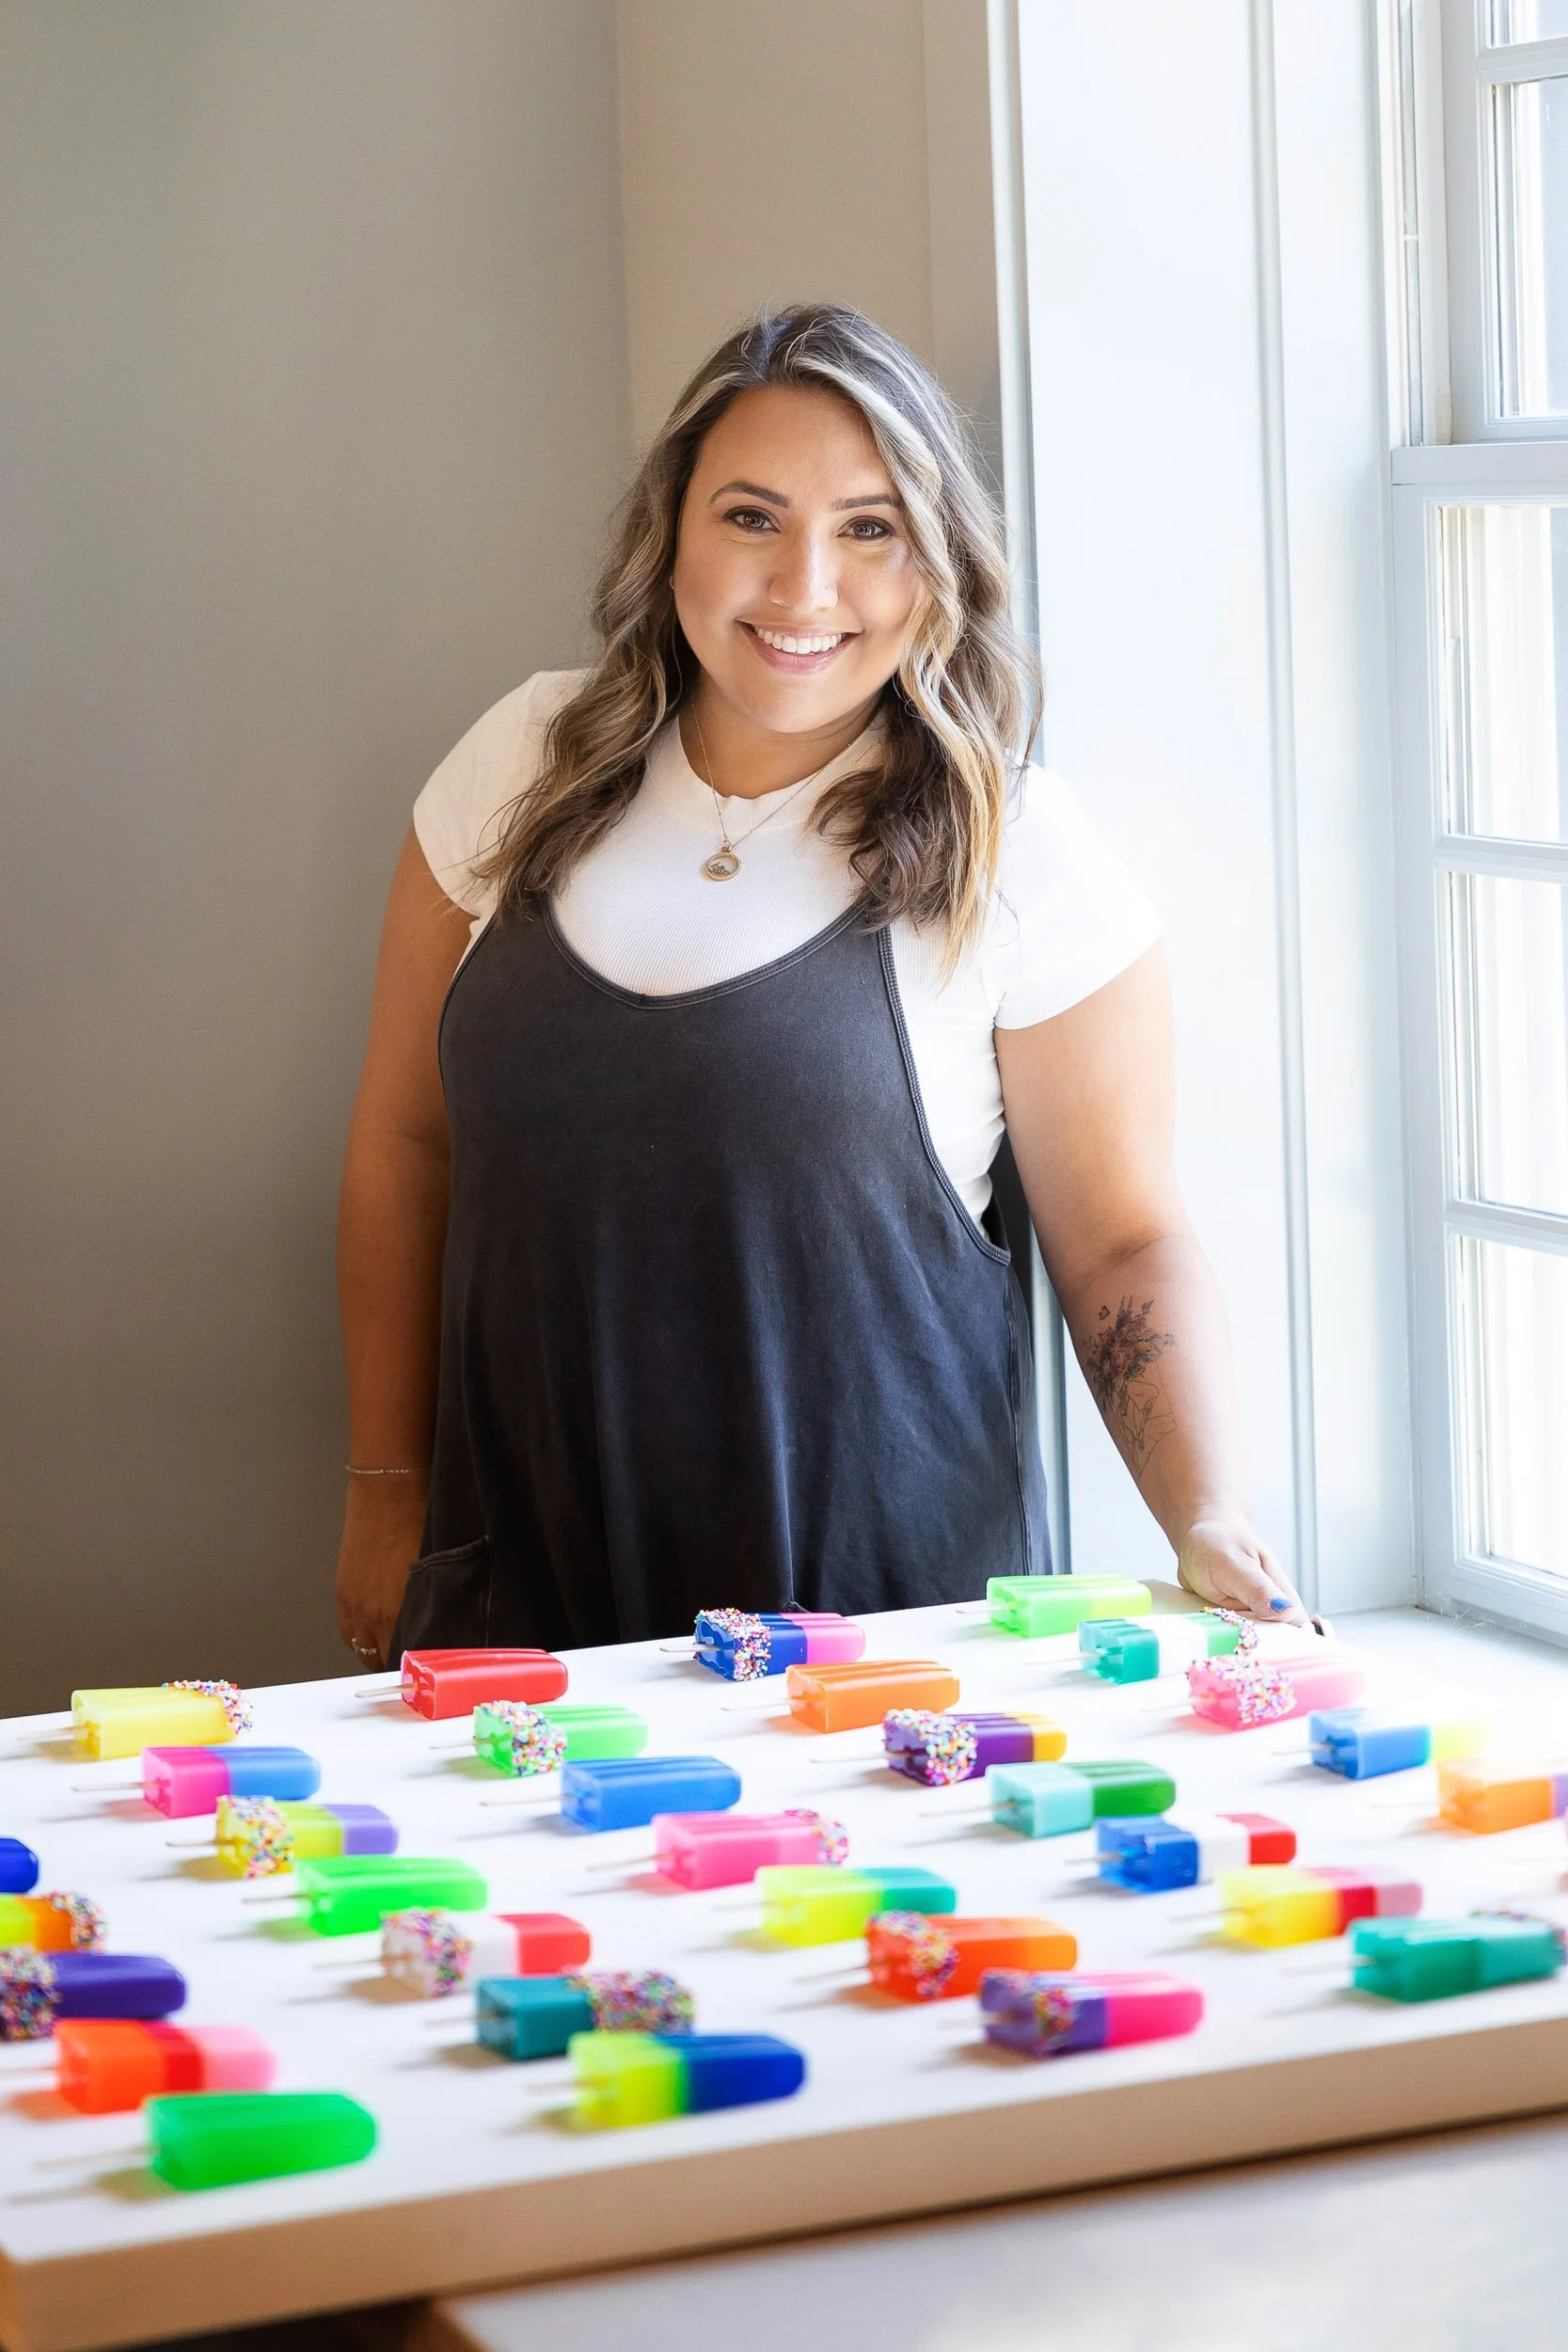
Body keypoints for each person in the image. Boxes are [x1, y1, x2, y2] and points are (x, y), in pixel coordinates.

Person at [335, 302, 1308, 1671]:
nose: (803, 588)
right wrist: (385, 1486)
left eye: (869, 529)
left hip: (872, 1649)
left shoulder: (1016, 850)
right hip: (528, 1614)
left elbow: (1123, 1247)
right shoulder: (524, 759)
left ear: (935, 561)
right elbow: (405, 1146)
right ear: (671, 531)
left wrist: (1206, 1518)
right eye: (751, 517)